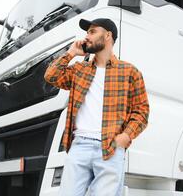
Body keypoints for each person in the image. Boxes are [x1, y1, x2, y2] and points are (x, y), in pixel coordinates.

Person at [44, 18, 149, 196]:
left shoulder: (130, 72)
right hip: (79, 147)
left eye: (92, 32)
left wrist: (125, 136)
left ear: (108, 35)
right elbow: (51, 76)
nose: (87, 36)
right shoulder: (79, 69)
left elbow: (142, 111)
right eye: (87, 32)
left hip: (110, 148)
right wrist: (70, 53)